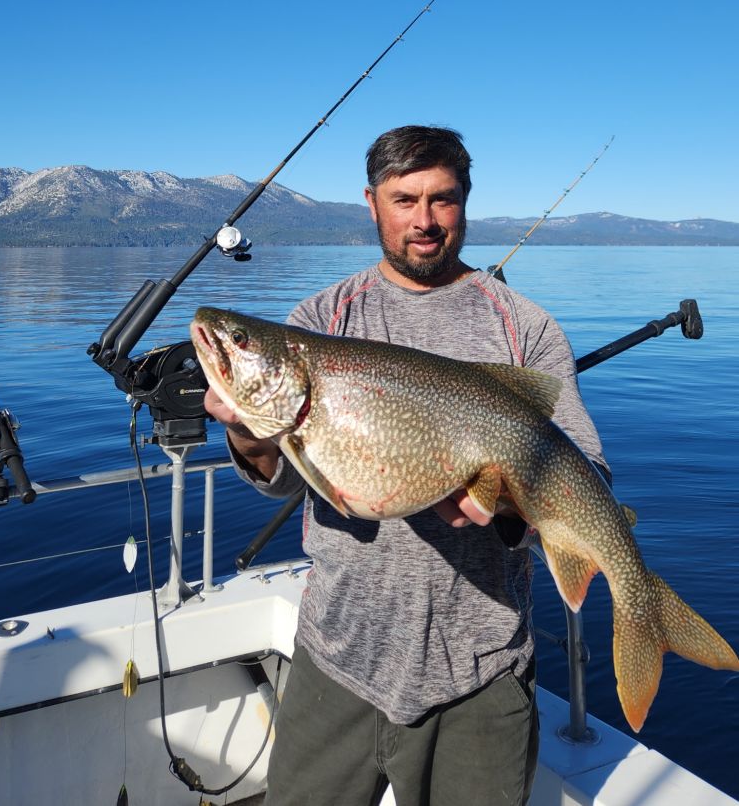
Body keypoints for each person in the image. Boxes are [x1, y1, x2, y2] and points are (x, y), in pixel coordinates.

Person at [205, 125, 609, 806]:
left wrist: (510, 504)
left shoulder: (524, 328)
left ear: (465, 201)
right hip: (338, 657)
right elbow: (281, 474)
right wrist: (248, 433)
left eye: (441, 199)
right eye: (404, 199)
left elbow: (586, 472)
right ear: (371, 202)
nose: (423, 220)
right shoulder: (323, 317)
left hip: (481, 670)